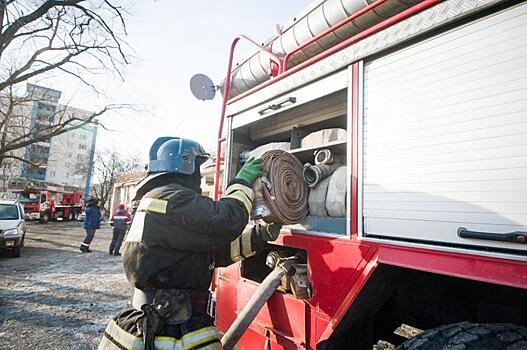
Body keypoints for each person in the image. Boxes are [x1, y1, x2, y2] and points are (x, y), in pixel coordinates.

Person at [98, 137, 281, 350]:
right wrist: (242, 183)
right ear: (185, 166)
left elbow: (211, 253)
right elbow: (226, 220)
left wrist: (259, 235)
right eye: (197, 167)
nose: (199, 177)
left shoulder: (158, 200)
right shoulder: (171, 199)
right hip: (171, 326)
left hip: (156, 317)